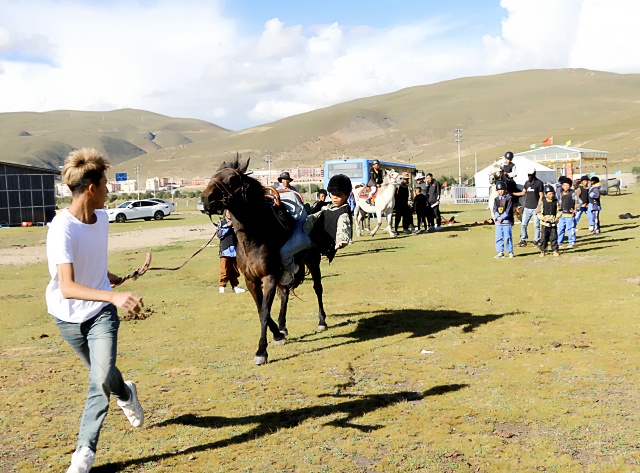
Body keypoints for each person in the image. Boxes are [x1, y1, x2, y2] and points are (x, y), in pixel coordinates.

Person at [45, 148, 144, 473]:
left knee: (98, 378)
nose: (108, 191)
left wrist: (109, 277)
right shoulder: (62, 228)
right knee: (104, 377)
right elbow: (68, 286)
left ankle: (83, 456)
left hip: (100, 315)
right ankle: (126, 391)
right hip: (68, 317)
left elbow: (91, 262)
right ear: (91, 189)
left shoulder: (101, 218)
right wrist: (113, 296)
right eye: (105, 185)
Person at [305, 174, 353, 261]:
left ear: (347, 195)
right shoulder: (325, 206)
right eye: (333, 194)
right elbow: (313, 217)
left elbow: (343, 226)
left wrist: (340, 240)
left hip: (323, 245)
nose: (335, 198)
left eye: (339, 195)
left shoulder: (343, 213)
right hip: (308, 238)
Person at [216, 210, 246, 294]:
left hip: (235, 250)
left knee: (235, 270)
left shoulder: (236, 223)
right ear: (225, 213)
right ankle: (222, 286)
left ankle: (235, 287)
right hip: (225, 250)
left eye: (231, 212)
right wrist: (227, 226)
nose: (229, 214)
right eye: (228, 212)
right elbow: (219, 235)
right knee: (224, 269)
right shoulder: (221, 223)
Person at [513, 169, 543, 247]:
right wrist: (512, 193)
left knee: (536, 225)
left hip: (535, 208)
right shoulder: (527, 183)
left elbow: (541, 196)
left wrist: (539, 207)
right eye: (528, 174)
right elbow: (523, 193)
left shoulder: (539, 183)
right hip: (527, 208)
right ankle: (523, 239)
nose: (530, 176)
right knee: (523, 224)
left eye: (531, 175)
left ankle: (536, 240)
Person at [537, 184, 561, 257]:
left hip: (553, 222)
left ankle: (555, 250)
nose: (551, 195)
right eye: (550, 194)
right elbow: (538, 212)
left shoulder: (556, 201)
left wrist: (557, 217)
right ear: (545, 194)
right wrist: (543, 218)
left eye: (552, 194)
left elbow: (559, 210)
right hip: (545, 224)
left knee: (554, 237)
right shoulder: (542, 202)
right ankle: (543, 251)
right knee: (544, 238)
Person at [492, 181, 515, 258]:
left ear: (505, 189)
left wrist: (503, 217)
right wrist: (497, 217)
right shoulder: (496, 199)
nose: (500, 191)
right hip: (499, 222)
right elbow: (494, 209)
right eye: (499, 190)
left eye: (502, 189)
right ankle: (500, 252)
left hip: (506, 221)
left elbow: (508, 209)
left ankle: (510, 251)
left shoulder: (509, 198)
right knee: (498, 237)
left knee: (508, 236)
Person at [557, 177, 577, 248]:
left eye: (567, 185)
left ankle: (572, 242)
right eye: (564, 185)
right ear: (562, 186)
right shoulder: (560, 193)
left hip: (570, 215)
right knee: (560, 229)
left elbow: (579, 202)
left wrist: (576, 209)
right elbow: (559, 203)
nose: (566, 187)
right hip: (562, 215)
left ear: (570, 186)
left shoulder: (573, 193)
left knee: (570, 229)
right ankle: (559, 243)